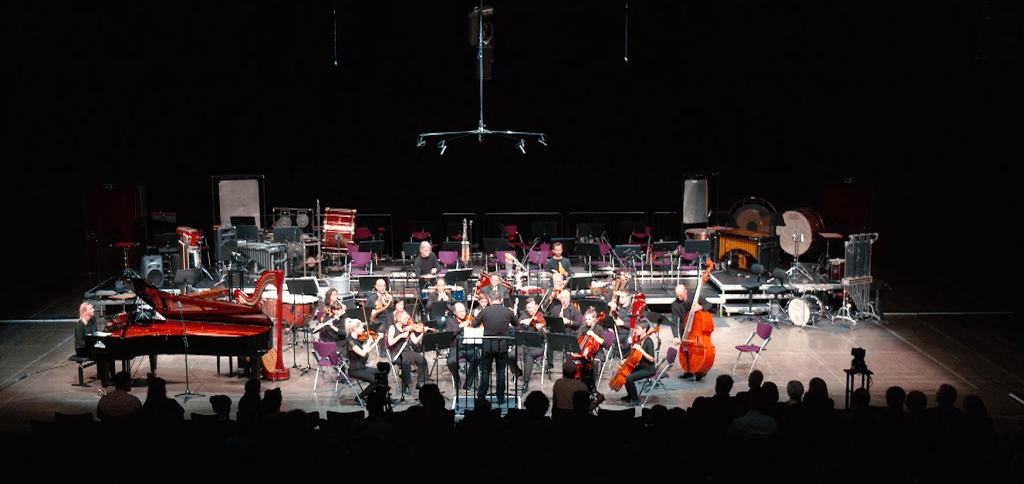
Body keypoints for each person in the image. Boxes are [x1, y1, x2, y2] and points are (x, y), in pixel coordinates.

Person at [475, 292, 519, 403]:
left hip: (488, 346)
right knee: (501, 372)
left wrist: (478, 316)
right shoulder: (507, 311)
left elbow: (474, 324)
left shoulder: (485, 311)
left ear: (490, 300)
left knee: (485, 371)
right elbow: (516, 323)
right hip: (502, 346)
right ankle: (500, 397)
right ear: (501, 300)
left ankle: (481, 397)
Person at [386, 308, 429, 395]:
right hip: (397, 352)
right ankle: (405, 385)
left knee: (422, 360)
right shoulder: (392, 327)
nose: (407, 320)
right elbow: (390, 342)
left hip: (407, 350)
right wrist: (400, 336)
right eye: (405, 319)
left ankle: (420, 382)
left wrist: (422, 333)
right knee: (405, 362)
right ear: (398, 319)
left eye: (407, 318)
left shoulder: (408, 327)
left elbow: (415, 341)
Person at [619, 321, 657, 407]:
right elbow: (637, 357)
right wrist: (627, 360)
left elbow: (651, 359)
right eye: (635, 328)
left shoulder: (649, 341)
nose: (635, 330)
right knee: (625, 373)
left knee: (629, 378)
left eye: (638, 329)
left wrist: (640, 349)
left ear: (644, 330)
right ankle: (630, 396)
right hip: (642, 367)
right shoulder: (640, 340)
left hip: (649, 369)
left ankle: (636, 400)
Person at [513, 297, 547, 393]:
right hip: (524, 345)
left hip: (538, 346)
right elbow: (514, 329)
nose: (530, 310)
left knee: (529, 355)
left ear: (536, 306)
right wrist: (521, 322)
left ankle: (526, 382)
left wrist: (540, 330)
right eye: (528, 308)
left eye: (532, 307)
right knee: (509, 355)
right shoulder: (524, 316)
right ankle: (518, 372)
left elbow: (545, 337)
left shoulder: (541, 318)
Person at [445, 301, 479, 390]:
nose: (462, 313)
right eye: (460, 311)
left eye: (463, 311)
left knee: (477, 359)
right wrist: (459, 326)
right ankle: (457, 378)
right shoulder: (450, 321)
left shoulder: (470, 319)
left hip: (469, 347)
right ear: (454, 312)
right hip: (456, 347)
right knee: (451, 362)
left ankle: (468, 383)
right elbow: (449, 334)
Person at [345, 318, 380, 399]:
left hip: (362, 368)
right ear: (354, 329)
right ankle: (360, 397)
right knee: (377, 381)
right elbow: (363, 353)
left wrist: (377, 340)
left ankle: (382, 396)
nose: (363, 330)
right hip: (355, 370)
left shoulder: (357, 339)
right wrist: (368, 342)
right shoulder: (350, 341)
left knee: (382, 373)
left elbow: (367, 350)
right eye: (361, 328)